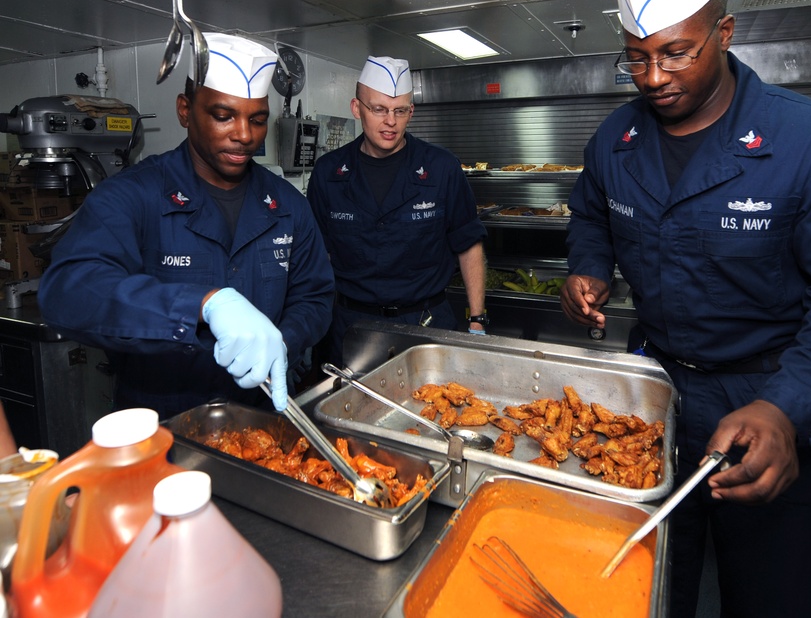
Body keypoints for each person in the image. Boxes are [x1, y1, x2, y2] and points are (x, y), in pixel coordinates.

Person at [560, 0, 811, 618]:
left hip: (775, 398)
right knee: (652, 589)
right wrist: (588, 269)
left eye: (675, 53)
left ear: (724, 31)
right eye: (636, 59)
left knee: (773, 596)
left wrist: (788, 408)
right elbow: (591, 215)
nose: (654, 77)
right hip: (659, 398)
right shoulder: (616, 140)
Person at [39, 33, 335, 417]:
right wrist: (201, 304)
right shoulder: (134, 196)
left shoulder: (288, 205)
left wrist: (282, 340)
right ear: (185, 110)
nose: (244, 135)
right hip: (164, 420)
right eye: (223, 116)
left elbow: (314, 296)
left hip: (261, 417)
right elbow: (68, 293)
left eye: (257, 120)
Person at [307, 56, 487, 366]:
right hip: (350, 326)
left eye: (400, 111)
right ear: (356, 108)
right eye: (378, 109)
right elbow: (315, 258)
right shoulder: (329, 173)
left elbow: (468, 244)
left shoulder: (441, 168)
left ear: (410, 112)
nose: (390, 121)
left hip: (426, 323)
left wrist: (478, 319)